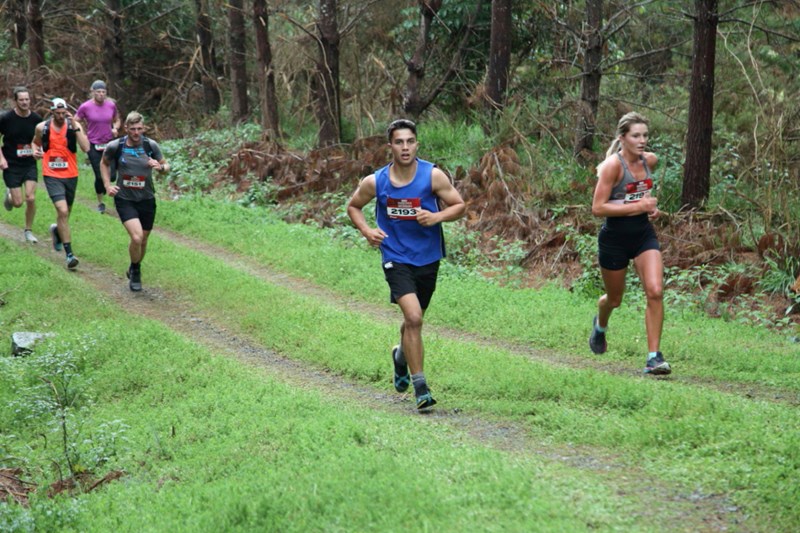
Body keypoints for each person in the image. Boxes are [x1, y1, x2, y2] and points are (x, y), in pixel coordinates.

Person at [347, 119, 466, 409]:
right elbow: (353, 206)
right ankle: (421, 388)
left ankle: (400, 357)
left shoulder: (432, 176)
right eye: (399, 142)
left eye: (409, 141)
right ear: (390, 146)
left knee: (414, 319)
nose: (405, 147)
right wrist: (367, 231)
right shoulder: (377, 181)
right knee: (413, 318)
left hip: (427, 258)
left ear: (417, 144)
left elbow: (459, 206)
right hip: (395, 256)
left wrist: (436, 217)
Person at [588, 111, 671, 375]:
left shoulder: (650, 161)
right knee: (614, 300)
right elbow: (598, 207)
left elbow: (642, 193)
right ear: (622, 138)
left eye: (645, 135)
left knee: (655, 290)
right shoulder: (613, 166)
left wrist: (650, 210)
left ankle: (654, 358)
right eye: (636, 135)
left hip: (643, 234)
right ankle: (600, 326)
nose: (642, 140)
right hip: (614, 239)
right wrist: (638, 205)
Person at [100, 111, 169, 292]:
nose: (136, 133)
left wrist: (160, 167)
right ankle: (136, 270)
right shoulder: (117, 146)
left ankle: (134, 267)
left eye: (139, 129)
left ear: (143, 128)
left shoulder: (150, 145)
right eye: (133, 129)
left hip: (146, 198)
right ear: (126, 129)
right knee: (136, 237)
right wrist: (108, 185)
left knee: (143, 240)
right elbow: (104, 163)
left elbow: (166, 165)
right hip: (125, 199)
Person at [31, 98, 90, 270]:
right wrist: (35, 152)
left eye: (63, 113)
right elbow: (35, 143)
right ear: (51, 112)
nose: (60, 116)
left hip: (71, 175)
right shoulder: (42, 128)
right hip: (51, 175)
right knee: (62, 211)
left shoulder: (73, 125)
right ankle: (69, 255)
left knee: (66, 214)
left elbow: (86, 147)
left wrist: (74, 124)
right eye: (57, 113)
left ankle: (57, 231)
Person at [0, 87, 43, 243]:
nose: (25, 102)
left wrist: (39, 151)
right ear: (15, 101)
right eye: (21, 100)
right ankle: (10, 196)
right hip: (11, 165)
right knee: (18, 203)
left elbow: (41, 141)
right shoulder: (6, 119)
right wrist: (1, 159)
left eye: (27, 99)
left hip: (29, 164)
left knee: (30, 198)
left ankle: (28, 230)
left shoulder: (37, 120)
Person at [75, 80, 120, 214]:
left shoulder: (111, 105)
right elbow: (75, 120)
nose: (101, 94)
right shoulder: (85, 107)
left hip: (109, 144)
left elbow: (117, 119)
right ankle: (100, 202)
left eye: (103, 92)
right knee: (100, 175)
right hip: (93, 145)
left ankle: (110, 192)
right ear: (93, 92)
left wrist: (115, 128)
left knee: (112, 176)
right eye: (98, 92)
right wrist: (82, 135)